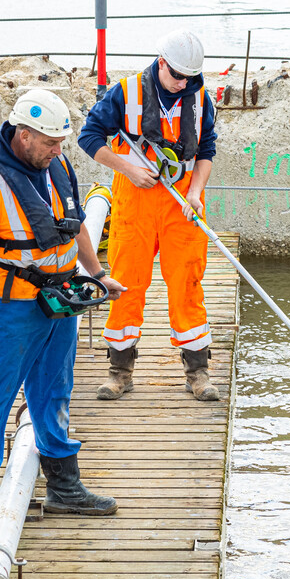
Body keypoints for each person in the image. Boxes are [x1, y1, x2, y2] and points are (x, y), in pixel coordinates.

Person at [0, 88, 125, 539]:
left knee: (55, 389)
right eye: (50, 142)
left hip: (61, 300)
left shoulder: (58, 165)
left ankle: (64, 487)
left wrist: (98, 275)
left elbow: (77, 225)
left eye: (61, 142)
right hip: (11, 309)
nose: (58, 150)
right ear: (23, 135)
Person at [78, 30, 221, 403]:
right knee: (125, 283)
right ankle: (119, 372)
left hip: (183, 206)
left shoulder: (200, 100)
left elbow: (206, 150)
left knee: (187, 284)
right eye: (176, 75)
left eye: (190, 77)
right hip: (135, 203)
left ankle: (198, 372)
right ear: (161, 64)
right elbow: (89, 137)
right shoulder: (125, 94)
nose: (183, 83)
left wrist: (194, 192)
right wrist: (126, 168)